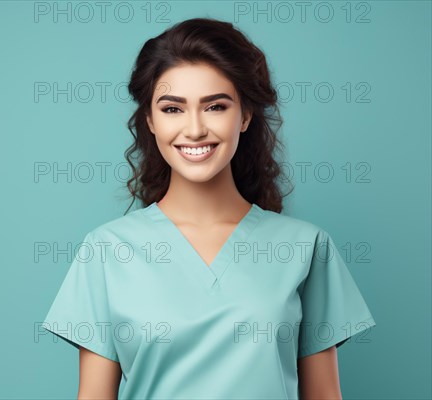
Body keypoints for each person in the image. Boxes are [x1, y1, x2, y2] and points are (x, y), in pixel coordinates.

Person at [42, 17, 376, 400]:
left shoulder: (307, 247)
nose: (195, 129)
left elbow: (324, 396)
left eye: (215, 106)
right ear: (150, 120)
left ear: (245, 115)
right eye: (173, 109)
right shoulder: (106, 252)